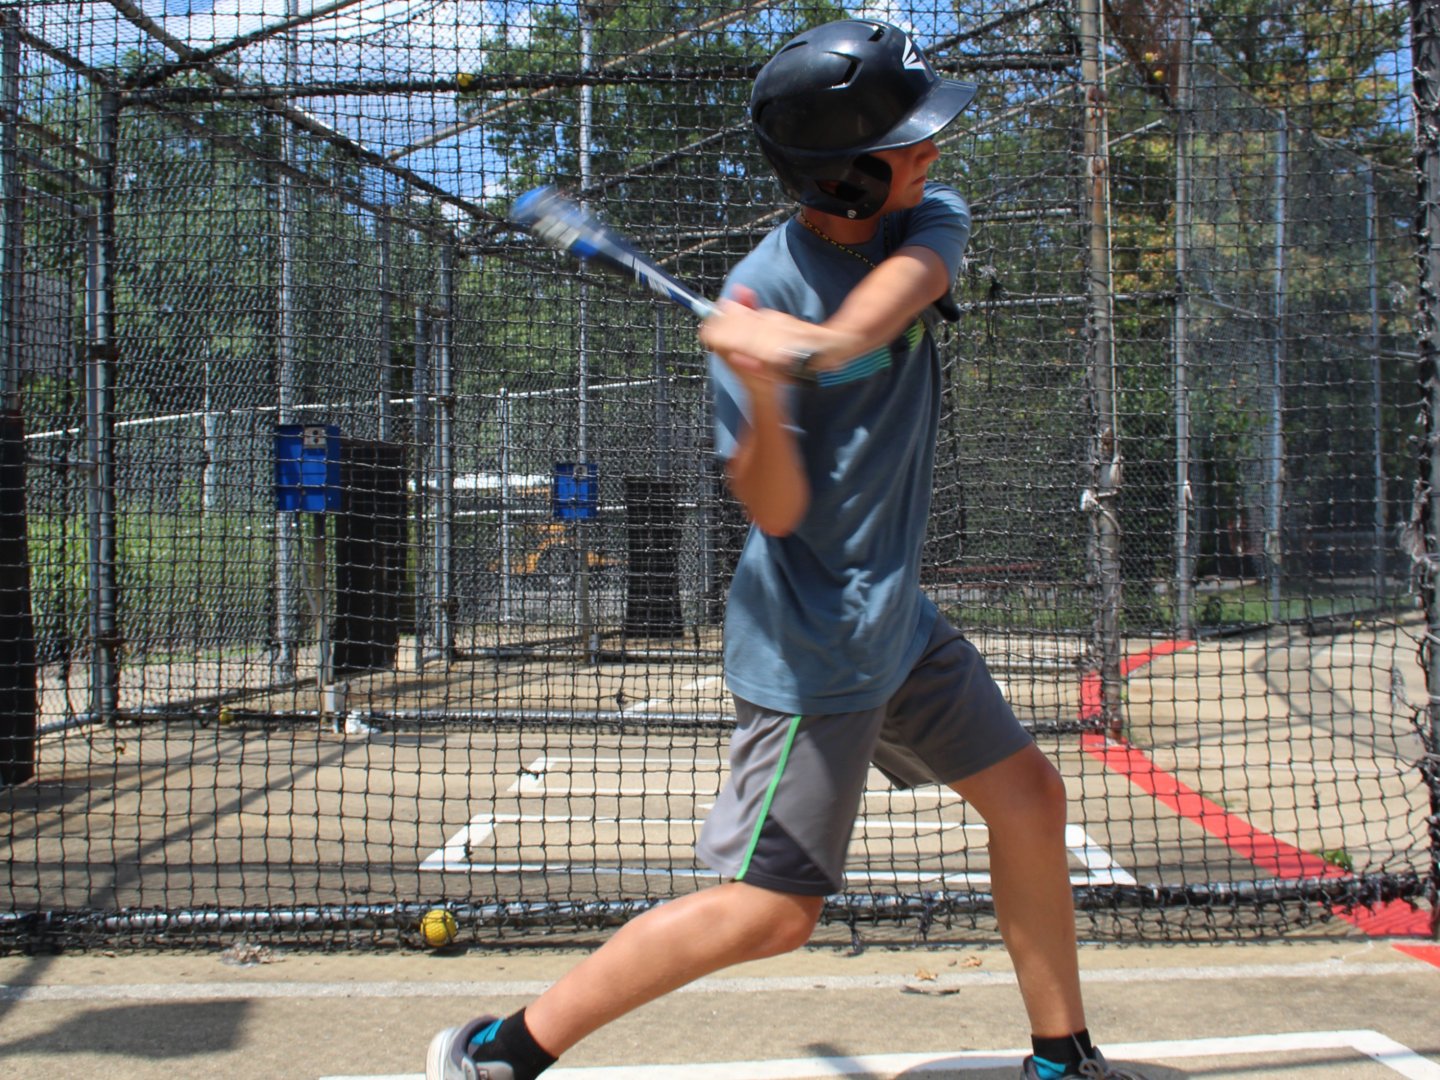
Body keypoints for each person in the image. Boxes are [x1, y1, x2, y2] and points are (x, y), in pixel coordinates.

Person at [427, 19, 1148, 1080]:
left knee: (1031, 798)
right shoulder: (759, 292)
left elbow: (884, 308)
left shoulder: (926, 220)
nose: (932, 153)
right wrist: (761, 387)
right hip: (812, 646)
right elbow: (771, 506)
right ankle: (501, 1050)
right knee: (772, 913)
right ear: (846, 174)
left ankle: (1061, 1056)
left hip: (895, 619)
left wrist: (805, 348)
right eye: (906, 142)